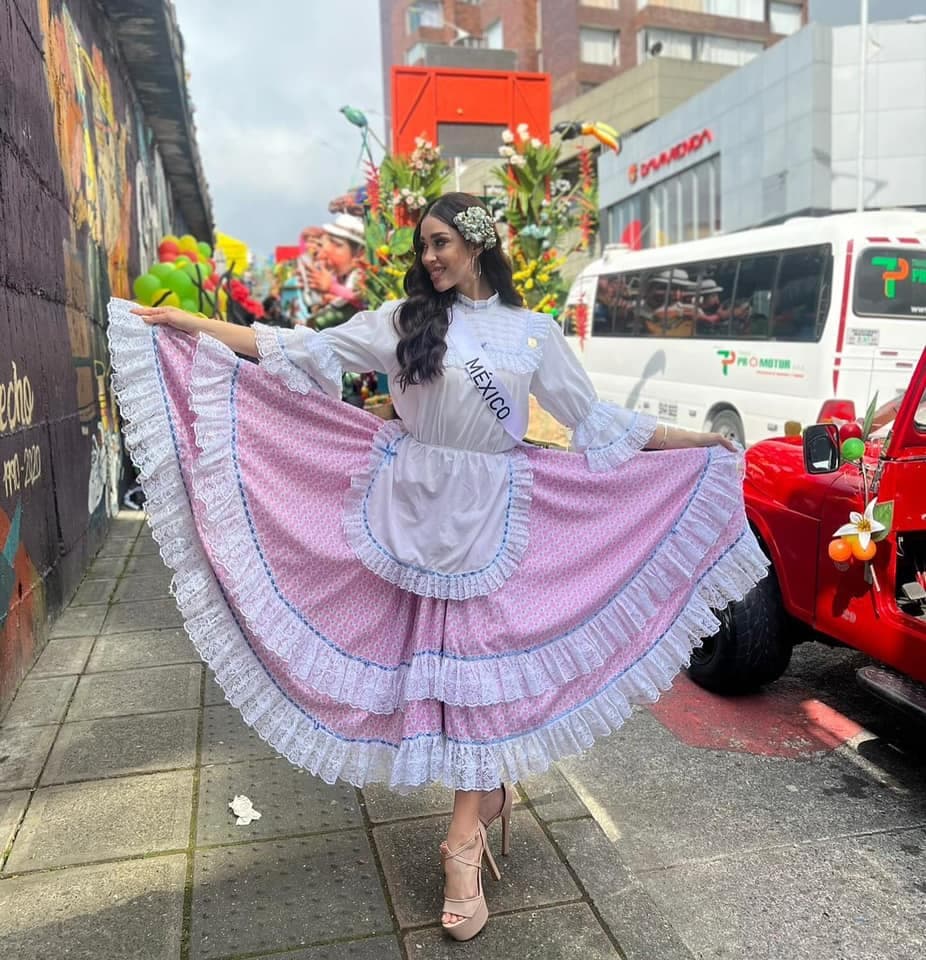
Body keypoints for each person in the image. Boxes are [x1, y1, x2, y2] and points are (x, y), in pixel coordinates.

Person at [106, 192, 767, 942]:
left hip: (494, 520)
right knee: (430, 684)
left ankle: (462, 845)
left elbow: (597, 424)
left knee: (475, 684)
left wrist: (697, 445)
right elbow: (301, 349)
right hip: (410, 512)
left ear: (479, 244)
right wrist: (192, 325)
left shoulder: (532, 333)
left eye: (442, 242)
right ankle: (486, 801)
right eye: (423, 245)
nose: (429, 257)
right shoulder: (405, 320)